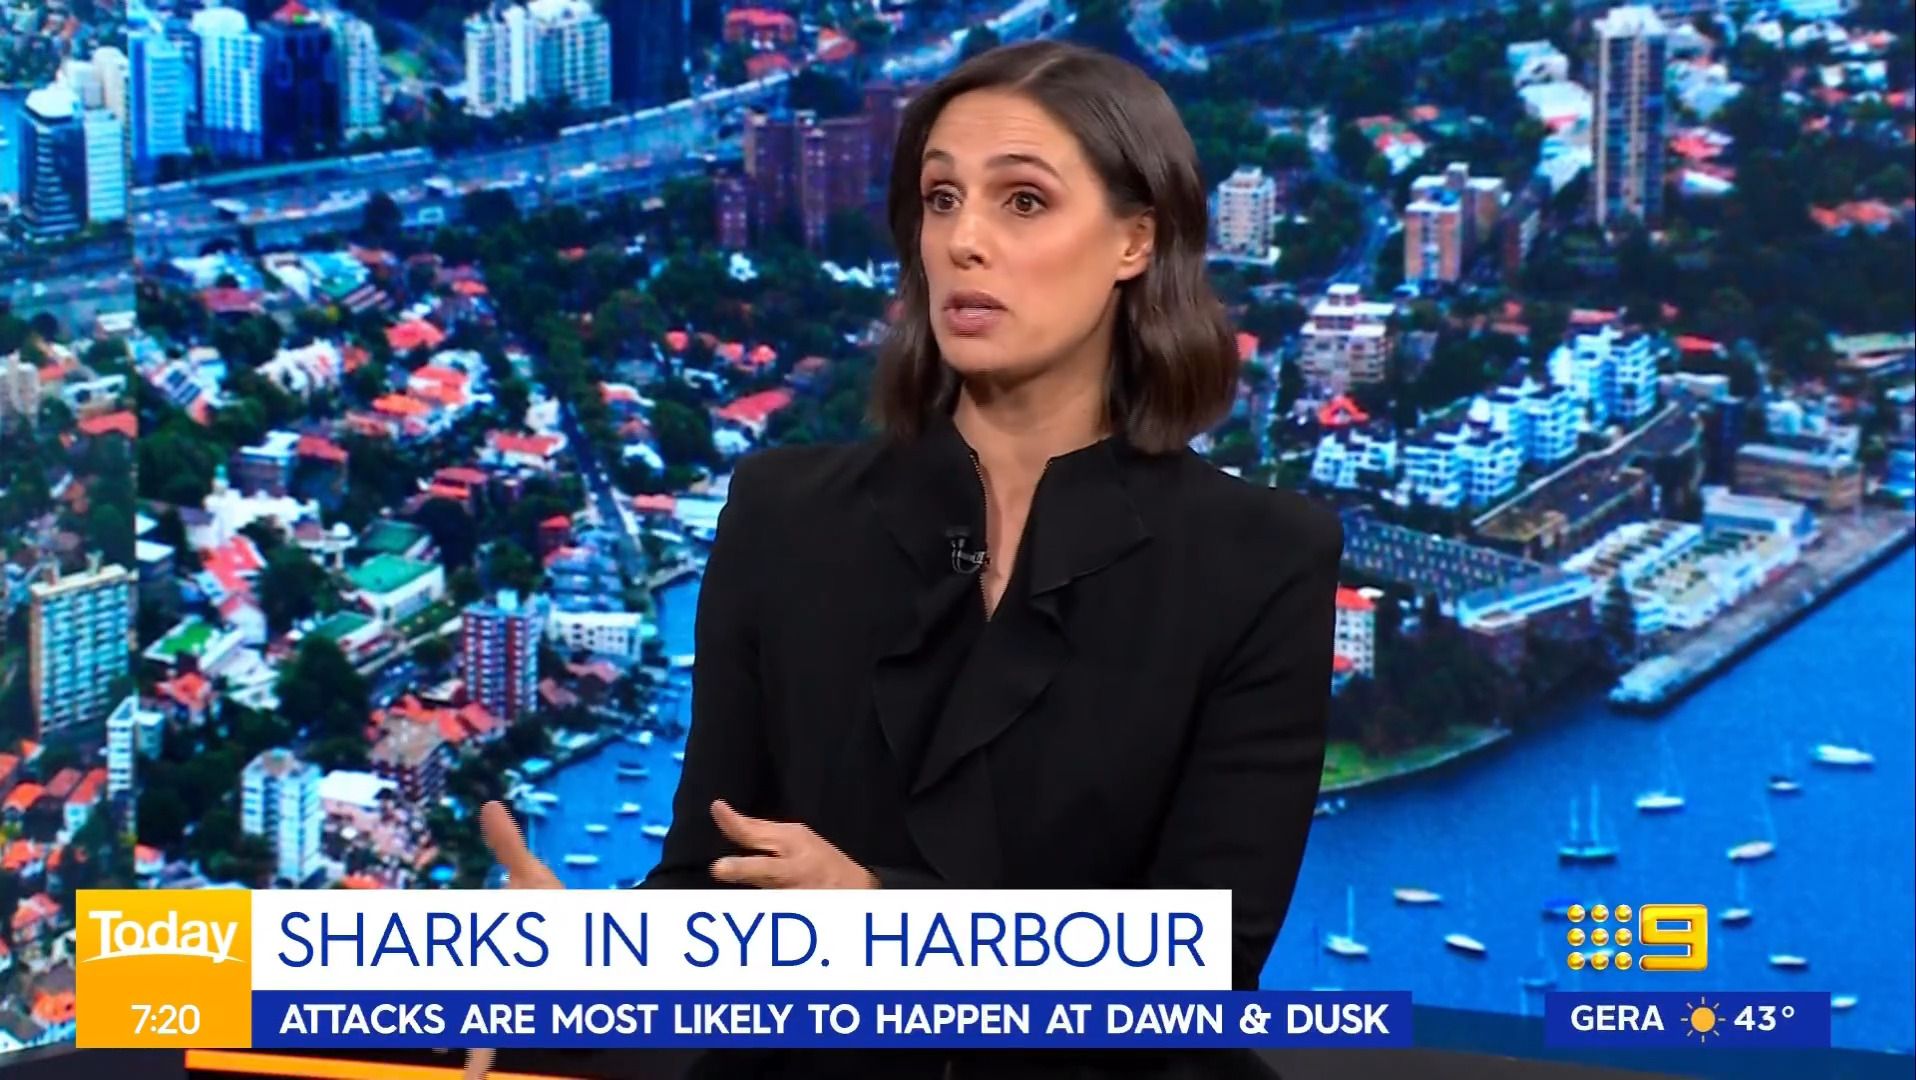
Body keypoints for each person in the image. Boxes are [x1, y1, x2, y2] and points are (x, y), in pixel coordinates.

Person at [466, 40, 1341, 1080]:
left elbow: (1203, 965)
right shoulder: (781, 516)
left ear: (1133, 240)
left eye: (1022, 201)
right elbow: (714, 879)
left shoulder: (1261, 561)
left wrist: (883, 927)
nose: (964, 241)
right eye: (940, 199)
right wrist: (585, 967)